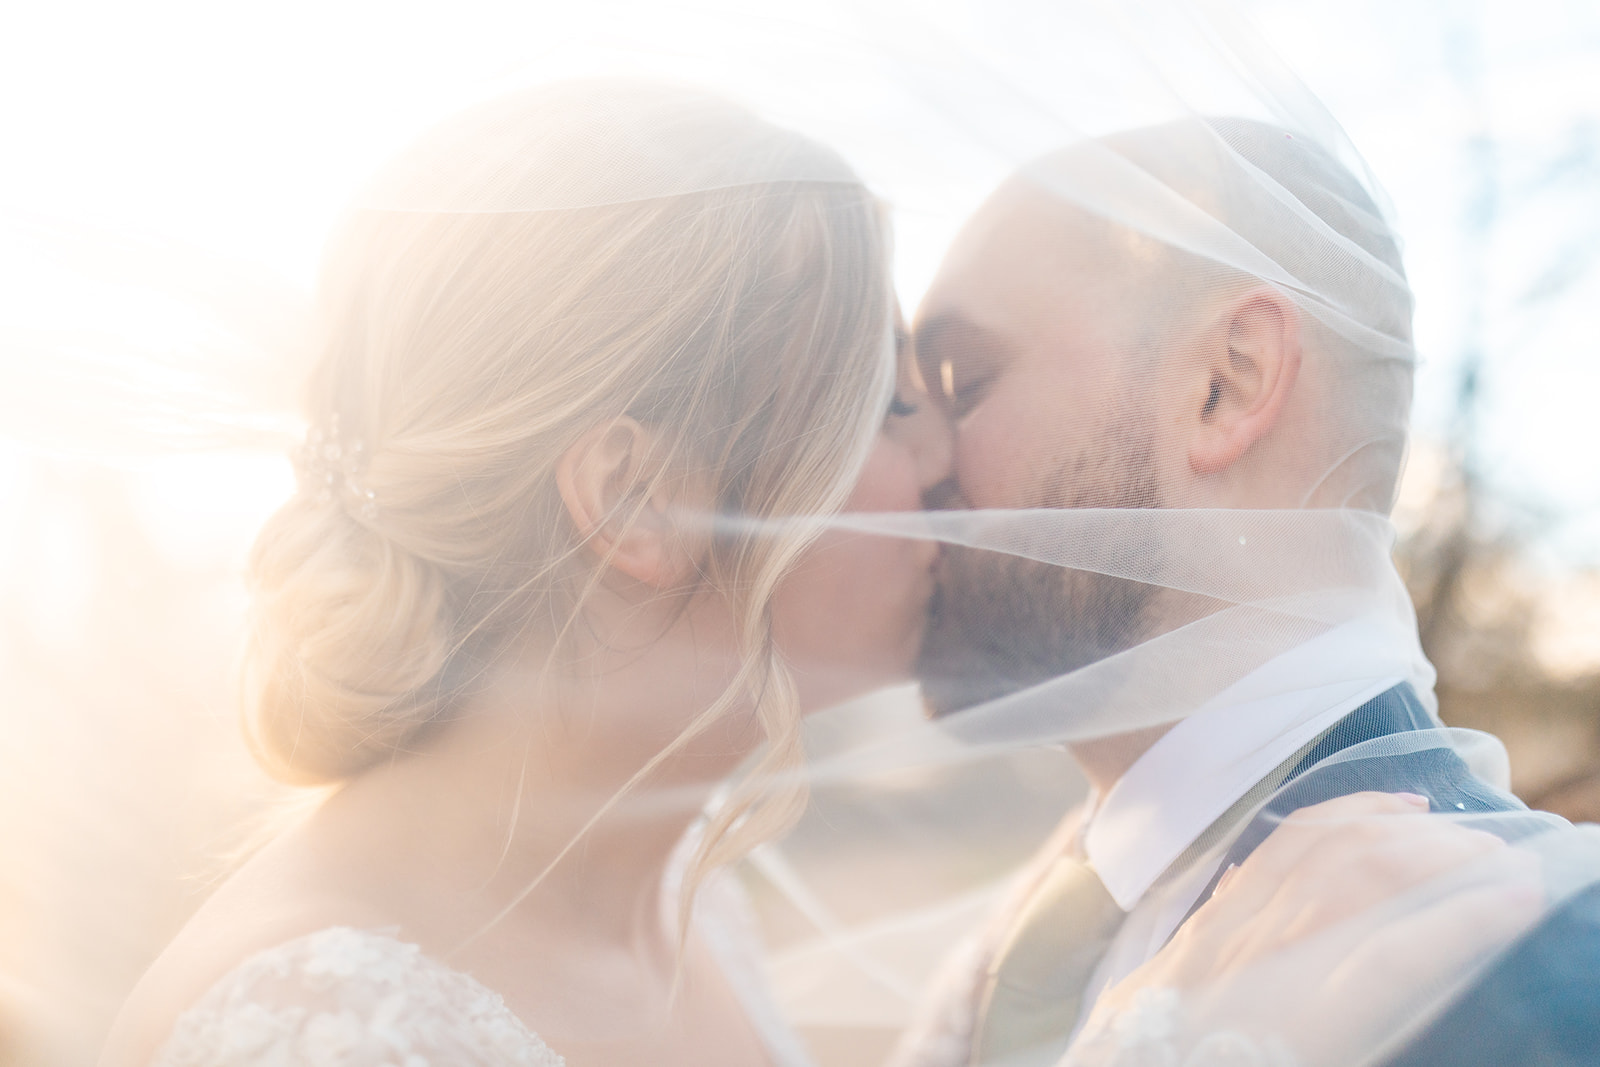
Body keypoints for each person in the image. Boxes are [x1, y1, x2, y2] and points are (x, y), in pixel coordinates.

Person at [96, 81, 1543, 1067]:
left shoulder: (688, 908)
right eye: (890, 397)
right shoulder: (324, 1023)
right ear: (641, 496)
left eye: (957, 378)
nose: (940, 472)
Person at [895, 115, 1600, 1066]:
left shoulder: (1531, 964)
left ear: (1228, 382)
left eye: (963, 380)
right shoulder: (1035, 926)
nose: (916, 463)